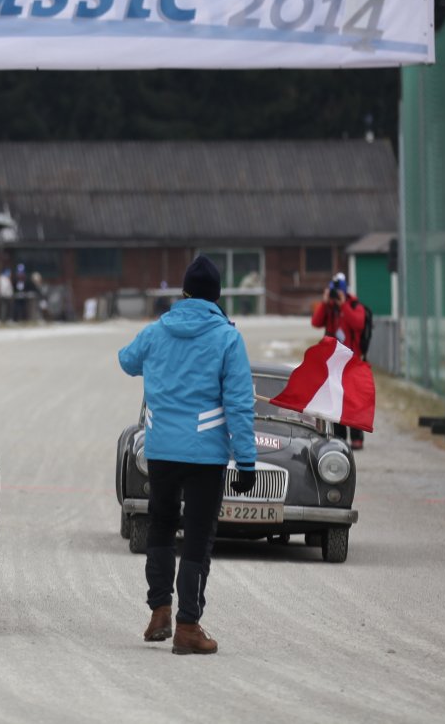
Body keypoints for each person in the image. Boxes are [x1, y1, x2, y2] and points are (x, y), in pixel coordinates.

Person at [117, 254, 257, 656]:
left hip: (162, 449)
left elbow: (126, 360)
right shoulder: (227, 338)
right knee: (197, 536)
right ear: (216, 297)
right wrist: (246, 460)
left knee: (161, 527)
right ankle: (188, 626)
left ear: (184, 293)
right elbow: (239, 403)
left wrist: (160, 362)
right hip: (206, 455)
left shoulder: (158, 330)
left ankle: (159, 611)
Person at [311, 274, 368, 449]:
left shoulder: (354, 306)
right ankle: (339, 438)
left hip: (352, 362)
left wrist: (343, 305)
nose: (335, 296)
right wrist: (324, 303)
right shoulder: (329, 309)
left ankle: (357, 438)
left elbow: (358, 324)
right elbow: (316, 322)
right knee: (335, 400)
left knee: (353, 401)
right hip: (333, 363)